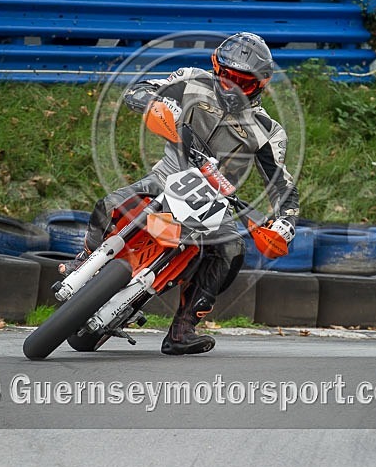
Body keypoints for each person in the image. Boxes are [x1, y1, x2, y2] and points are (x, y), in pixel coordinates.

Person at [60, 32, 300, 355]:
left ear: (261, 84)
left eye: (243, 82)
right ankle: (85, 258)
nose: (232, 87)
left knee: (232, 249)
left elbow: (283, 186)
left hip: (215, 203)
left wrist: (285, 222)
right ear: (216, 68)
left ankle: (183, 327)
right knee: (111, 203)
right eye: (227, 77)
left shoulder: (269, 131)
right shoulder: (190, 80)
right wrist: (156, 106)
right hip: (166, 176)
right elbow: (140, 90)